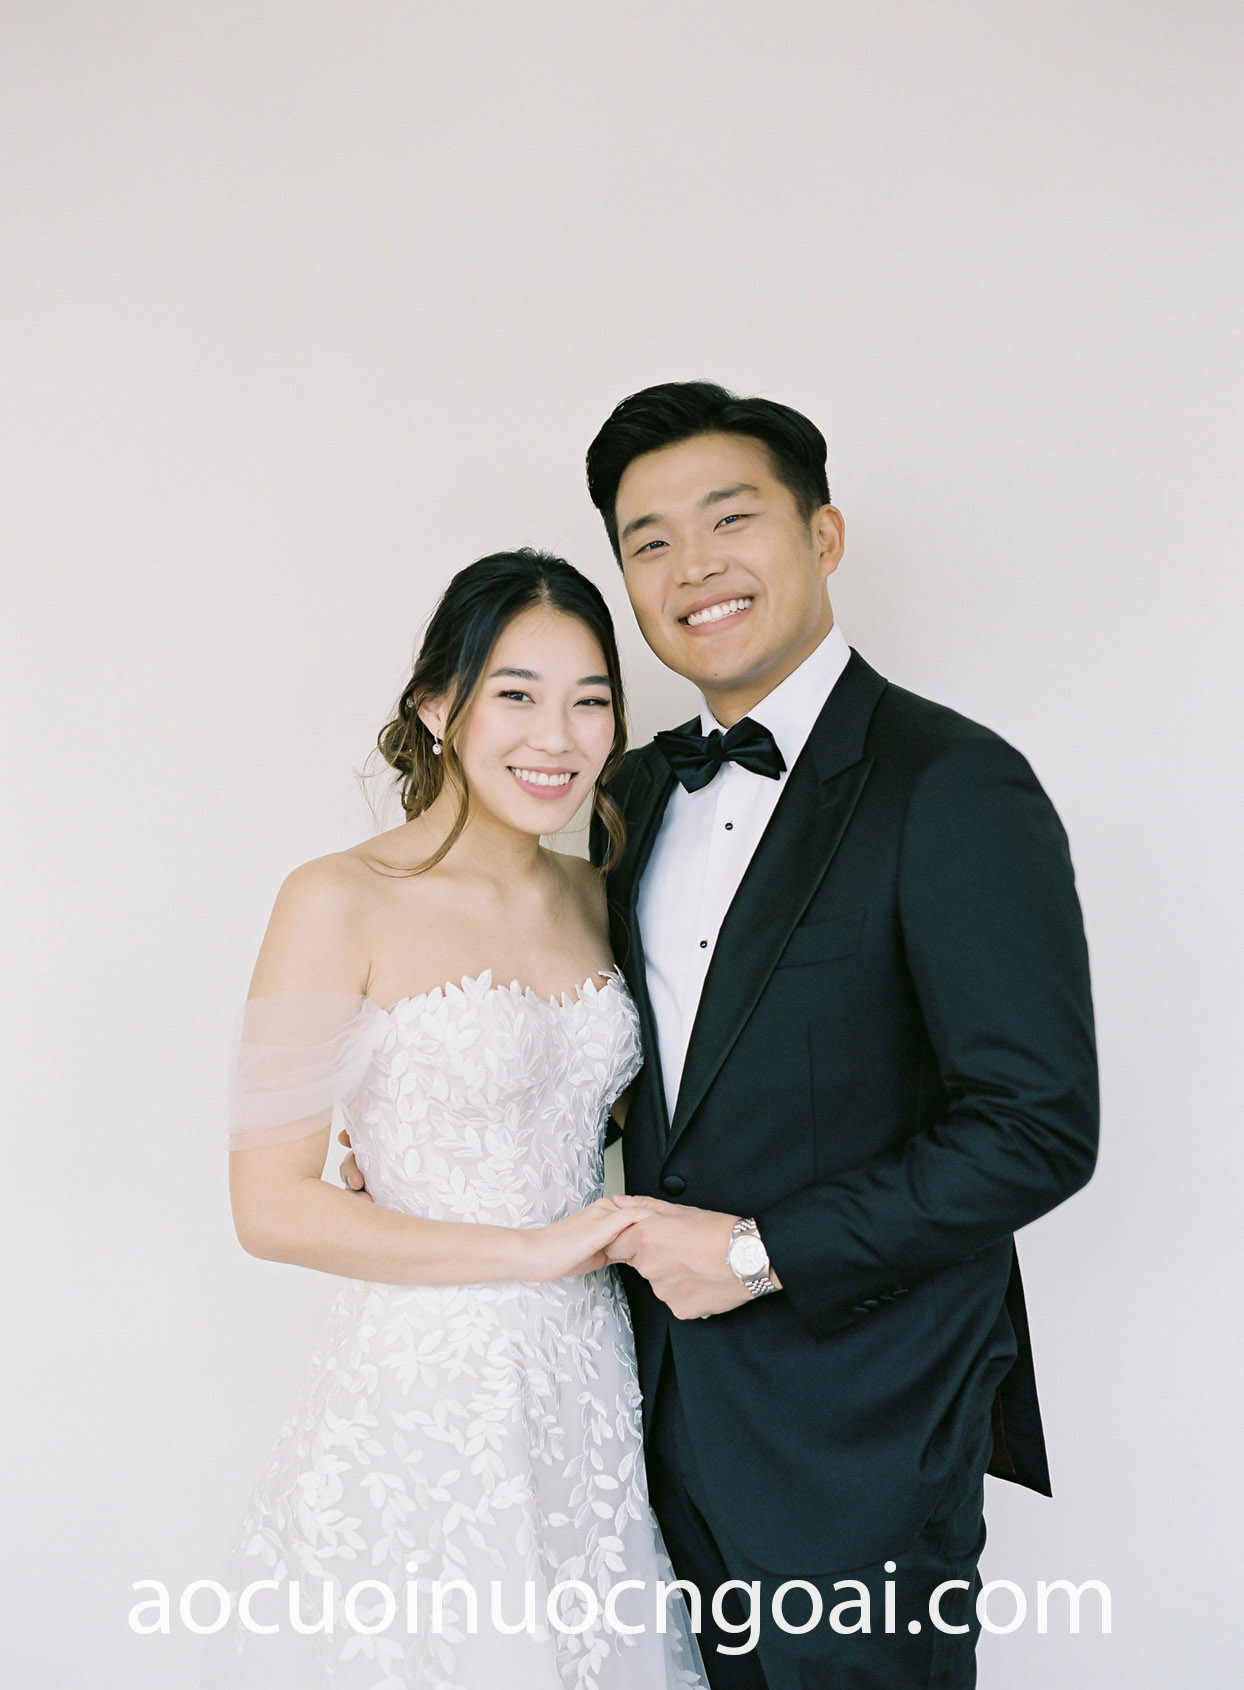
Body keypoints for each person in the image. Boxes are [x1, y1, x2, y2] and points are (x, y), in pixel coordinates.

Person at [568, 380, 1100, 1689]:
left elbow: (1034, 1127)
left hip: (863, 1427)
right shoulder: (631, 788)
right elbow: (636, 1067)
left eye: (729, 519)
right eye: (650, 541)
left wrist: (753, 1252)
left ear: (823, 534)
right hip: (652, 1415)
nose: (693, 566)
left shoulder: (952, 782)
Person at [205, 549, 708, 1690]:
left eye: (590, 701)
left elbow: (606, 1106)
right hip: (424, 1380)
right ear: (439, 708)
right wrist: (529, 1249)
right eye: (516, 695)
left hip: (588, 1372)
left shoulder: (598, 893)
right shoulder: (336, 898)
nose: (557, 738)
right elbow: (267, 1207)